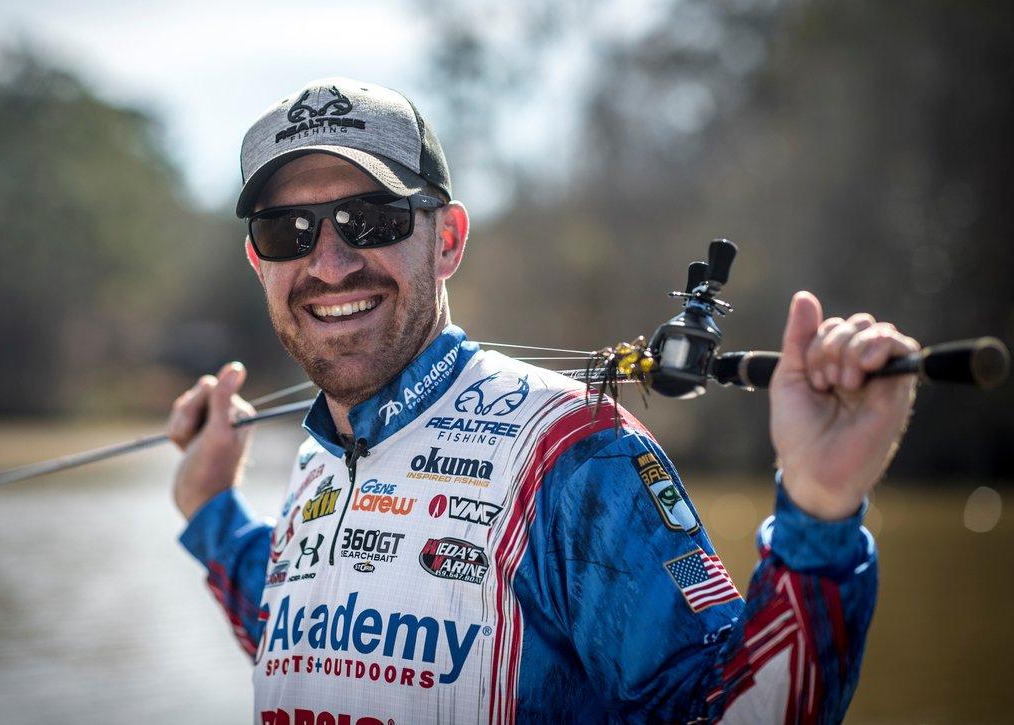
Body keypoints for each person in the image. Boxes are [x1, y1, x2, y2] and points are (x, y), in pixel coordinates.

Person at [167, 78, 918, 724]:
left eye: (373, 218)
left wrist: (818, 513)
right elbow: (305, 642)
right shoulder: (317, 458)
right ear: (258, 260)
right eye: (287, 230)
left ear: (449, 240)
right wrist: (209, 511)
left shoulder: (576, 453)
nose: (328, 263)